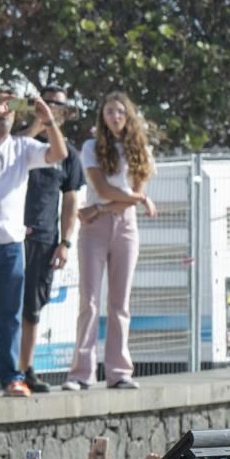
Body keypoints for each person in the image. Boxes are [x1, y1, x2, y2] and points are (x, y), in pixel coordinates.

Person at [0, 90, 69, 397]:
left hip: (9, 246)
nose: (5, 113)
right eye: (0, 108)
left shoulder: (22, 146)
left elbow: (59, 154)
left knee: (10, 314)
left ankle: (10, 377)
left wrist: (47, 120)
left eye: (9, 109)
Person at [66, 92, 155, 390]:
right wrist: (138, 198)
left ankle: (119, 371)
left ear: (128, 115)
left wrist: (107, 206)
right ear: (102, 117)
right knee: (89, 301)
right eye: (109, 112)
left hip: (123, 225)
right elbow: (103, 188)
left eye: (119, 111)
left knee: (120, 303)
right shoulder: (92, 147)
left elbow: (126, 199)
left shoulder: (140, 149)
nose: (114, 116)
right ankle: (81, 373)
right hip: (94, 229)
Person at [15, 87, 85, 392]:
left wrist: (65, 242)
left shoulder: (69, 154)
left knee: (32, 306)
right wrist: (36, 124)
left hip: (44, 238)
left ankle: (25, 368)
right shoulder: (18, 141)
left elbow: (70, 202)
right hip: (8, 234)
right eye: (46, 104)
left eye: (58, 106)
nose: (52, 109)